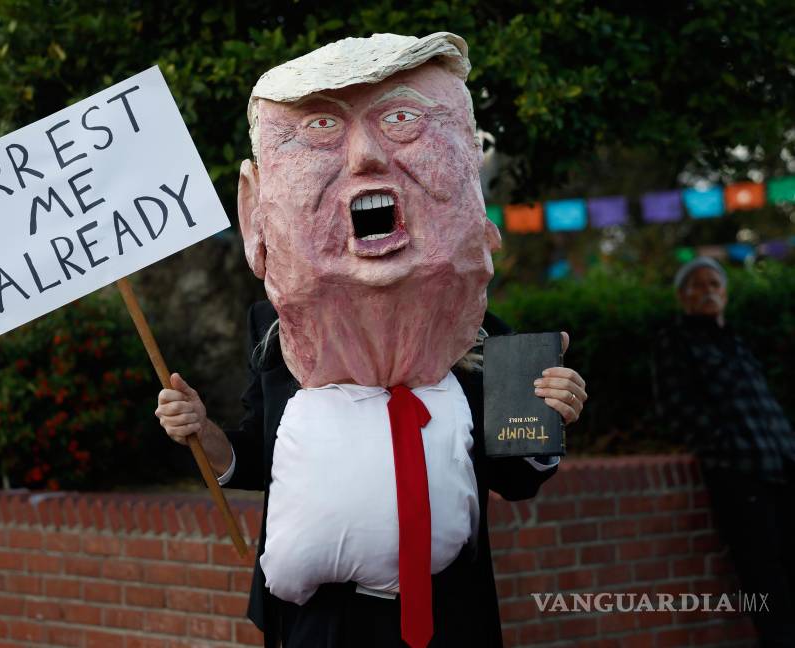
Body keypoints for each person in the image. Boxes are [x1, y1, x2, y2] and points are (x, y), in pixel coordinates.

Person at [156, 33, 588, 648]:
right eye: (321, 129)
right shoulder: (275, 336)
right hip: (320, 626)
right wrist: (203, 432)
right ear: (255, 213)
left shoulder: (485, 339)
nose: (364, 158)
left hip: (449, 620)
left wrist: (551, 417)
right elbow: (259, 459)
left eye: (405, 120)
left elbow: (517, 477)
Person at [652, 256, 795, 648]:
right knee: (765, 579)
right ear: (683, 297)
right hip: (740, 473)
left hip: (782, 467)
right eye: (697, 285)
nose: (708, 291)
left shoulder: (736, 341)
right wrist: (724, 447)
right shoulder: (676, 339)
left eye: (715, 284)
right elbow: (675, 406)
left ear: (726, 294)